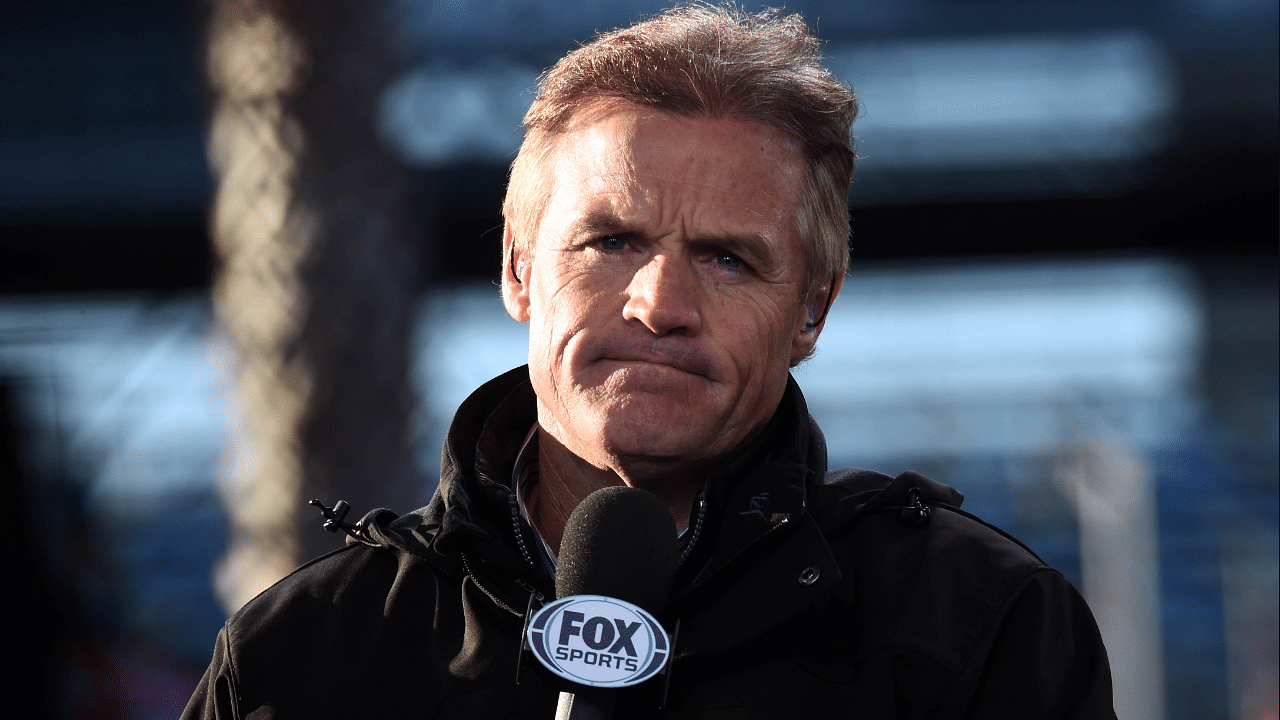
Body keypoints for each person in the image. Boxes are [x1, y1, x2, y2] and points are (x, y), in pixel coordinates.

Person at [183, 4, 1116, 718]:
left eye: (727, 257)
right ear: (518, 269)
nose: (661, 305)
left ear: (810, 311)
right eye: (612, 242)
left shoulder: (983, 627)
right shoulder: (300, 657)